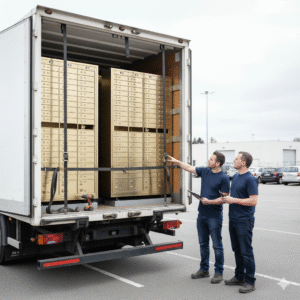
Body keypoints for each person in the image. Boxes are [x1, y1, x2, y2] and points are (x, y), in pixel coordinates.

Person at [167, 152, 230, 284]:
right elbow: (190, 168)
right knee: (203, 244)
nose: (209, 160)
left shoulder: (223, 178)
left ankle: (219, 273)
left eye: (211, 159)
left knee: (217, 246)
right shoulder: (206, 171)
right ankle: (204, 270)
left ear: (217, 163)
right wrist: (176, 161)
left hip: (214, 216)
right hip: (202, 215)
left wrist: (210, 201)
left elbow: (225, 199)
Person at [222, 152, 258, 294]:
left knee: (246, 251)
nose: (234, 160)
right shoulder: (236, 176)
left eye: (236, 159)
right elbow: (237, 196)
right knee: (237, 250)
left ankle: (250, 281)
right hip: (234, 219)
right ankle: (239, 276)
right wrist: (227, 197)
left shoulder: (250, 179)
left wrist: (233, 200)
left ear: (243, 163)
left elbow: (253, 200)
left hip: (244, 220)